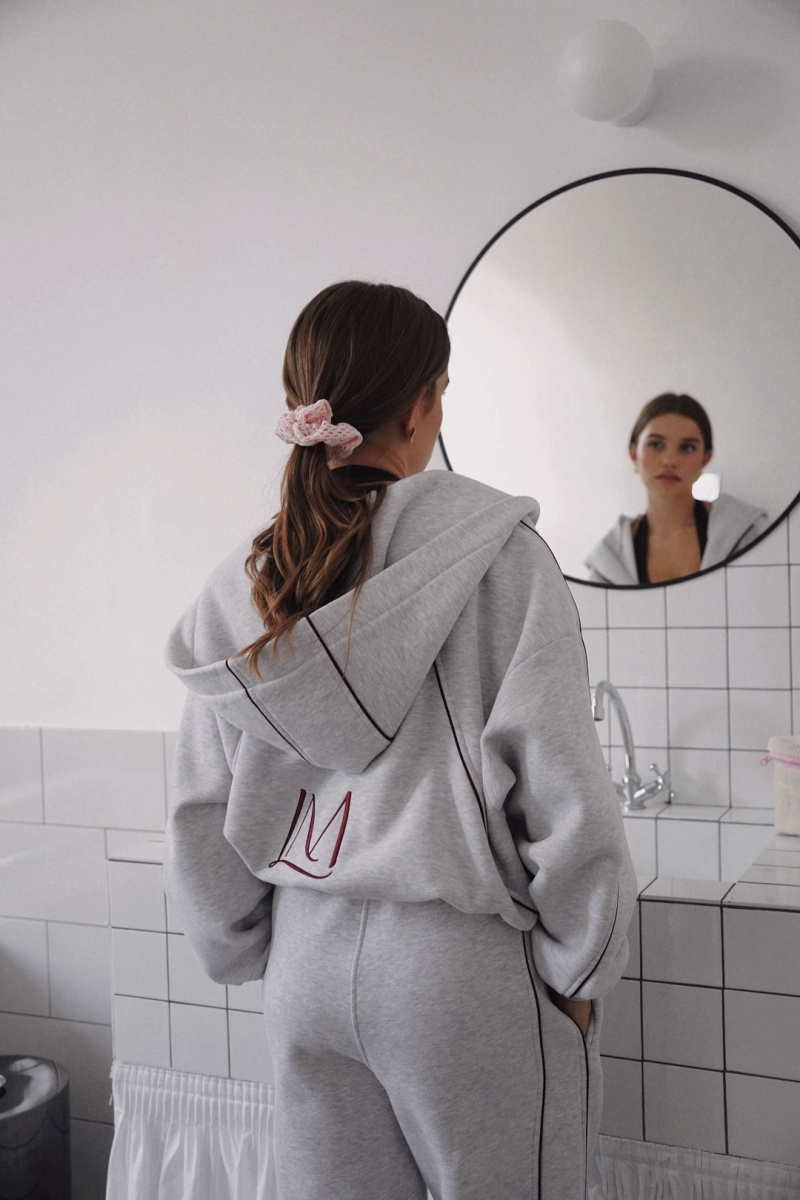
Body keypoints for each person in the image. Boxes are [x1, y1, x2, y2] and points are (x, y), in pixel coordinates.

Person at [164, 280, 637, 1200]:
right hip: (460, 980)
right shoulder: (498, 555)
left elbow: (199, 803)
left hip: (302, 969)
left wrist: (240, 946)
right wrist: (582, 970)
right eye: (442, 393)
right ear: (421, 407)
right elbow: (564, 789)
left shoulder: (252, 580)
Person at [585, 393, 769, 585]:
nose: (670, 460)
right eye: (656, 444)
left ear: (705, 458)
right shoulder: (610, 560)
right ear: (633, 453)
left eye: (687, 448)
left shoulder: (747, 534)